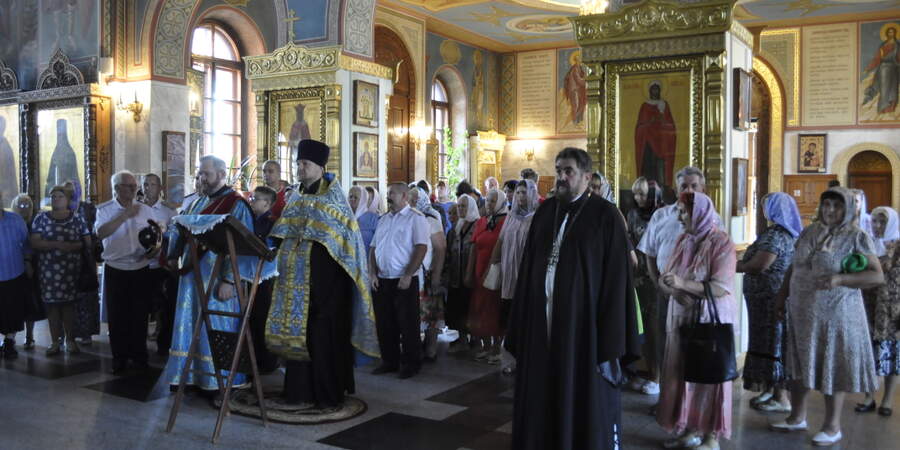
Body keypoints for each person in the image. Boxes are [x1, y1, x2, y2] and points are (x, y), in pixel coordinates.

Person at [506, 147, 640, 450]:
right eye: (558, 170)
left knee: (578, 395)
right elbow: (528, 271)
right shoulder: (545, 211)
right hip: (542, 323)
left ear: (587, 176)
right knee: (541, 391)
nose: (562, 177)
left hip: (584, 331)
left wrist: (608, 337)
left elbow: (617, 282)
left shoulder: (606, 217)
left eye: (569, 171)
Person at [265, 139, 379, 408]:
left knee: (324, 339)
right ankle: (298, 392)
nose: (300, 169)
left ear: (320, 166)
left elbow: (343, 243)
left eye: (305, 164)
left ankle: (327, 394)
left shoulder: (334, 200)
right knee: (300, 337)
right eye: (298, 164)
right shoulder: (298, 197)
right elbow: (284, 232)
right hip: (297, 285)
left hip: (328, 290)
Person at [771, 187, 884, 447]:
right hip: (802, 312)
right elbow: (794, 266)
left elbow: (876, 276)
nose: (830, 211)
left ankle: (832, 426)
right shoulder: (810, 232)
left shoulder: (857, 236)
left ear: (848, 209)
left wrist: (841, 278)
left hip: (837, 315)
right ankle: (797, 416)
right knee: (799, 364)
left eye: (837, 206)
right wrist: (782, 296)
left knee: (831, 366)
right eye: (826, 205)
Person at [163, 155, 275, 391]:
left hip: (217, 279)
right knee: (192, 324)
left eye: (206, 173)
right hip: (191, 279)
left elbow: (242, 247)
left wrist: (229, 280)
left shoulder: (236, 204)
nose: (201, 178)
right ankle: (192, 377)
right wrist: (172, 255)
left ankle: (223, 381)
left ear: (222, 175)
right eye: (200, 173)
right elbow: (181, 229)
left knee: (218, 327)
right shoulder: (195, 203)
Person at [656, 191, 736, 450]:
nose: (679, 217)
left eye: (683, 212)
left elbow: (721, 287)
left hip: (708, 319)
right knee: (682, 374)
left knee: (708, 375)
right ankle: (689, 429)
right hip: (682, 316)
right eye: (678, 211)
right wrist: (675, 290)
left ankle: (711, 437)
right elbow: (665, 277)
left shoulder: (721, 242)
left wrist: (683, 284)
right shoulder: (683, 240)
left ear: (699, 213)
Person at [637, 166, 721, 410]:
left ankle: (691, 407)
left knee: (694, 351)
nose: (689, 190)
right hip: (666, 292)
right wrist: (659, 284)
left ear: (703, 188)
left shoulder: (713, 218)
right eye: (684, 186)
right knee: (667, 347)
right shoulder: (662, 215)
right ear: (676, 188)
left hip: (697, 297)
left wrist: (691, 288)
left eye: (694, 186)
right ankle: (668, 400)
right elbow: (650, 253)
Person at [738, 192, 802, 414]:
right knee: (768, 342)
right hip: (764, 299)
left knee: (774, 342)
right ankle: (771, 388)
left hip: (770, 299)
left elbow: (759, 265)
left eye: (766, 205)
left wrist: (733, 265)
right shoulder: (782, 233)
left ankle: (780, 396)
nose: (763, 209)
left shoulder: (776, 235)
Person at [95, 171, 157, 373]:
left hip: (140, 267)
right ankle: (119, 358)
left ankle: (140, 356)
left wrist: (155, 250)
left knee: (140, 315)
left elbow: (157, 235)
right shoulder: (104, 210)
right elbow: (101, 233)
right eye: (128, 186)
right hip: (116, 268)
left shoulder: (146, 210)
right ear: (116, 188)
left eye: (134, 185)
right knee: (118, 316)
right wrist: (124, 216)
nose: (133, 189)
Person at [369, 183, 429, 379]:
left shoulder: (415, 219)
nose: (388, 197)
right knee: (385, 323)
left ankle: (411, 363)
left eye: (392, 194)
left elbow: (421, 248)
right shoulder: (384, 219)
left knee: (407, 323)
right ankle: (390, 360)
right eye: (388, 194)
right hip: (383, 279)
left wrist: (408, 274)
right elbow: (373, 249)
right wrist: (372, 274)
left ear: (404, 196)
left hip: (404, 279)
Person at [30, 185, 92, 355]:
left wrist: (73, 246)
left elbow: (87, 242)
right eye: (53, 196)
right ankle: (54, 342)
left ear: (67, 199)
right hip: (48, 271)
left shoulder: (77, 218)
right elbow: (34, 242)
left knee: (68, 306)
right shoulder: (41, 218)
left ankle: (70, 340)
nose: (56, 199)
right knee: (52, 306)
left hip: (70, 270)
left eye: (59, 196)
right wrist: (56, 245)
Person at [858, 206, 900, 416]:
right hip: (867, 304)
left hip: (890, 309)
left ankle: (887, 400)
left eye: (882, 222)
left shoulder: (898, 246)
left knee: (890, 354)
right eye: (874, 221)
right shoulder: (866, 244)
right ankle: (868, 397)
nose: (876, 226)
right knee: (868, 352)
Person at [493, 179, 538, 372]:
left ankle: (527, 358)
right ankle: (510, 359)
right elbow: (501, 241)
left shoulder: (537, 217)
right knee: (509, 318)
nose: (520, 196)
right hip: (509, 274)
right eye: (518, 192)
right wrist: (493, 265)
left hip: (527, 274)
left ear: (533, 194)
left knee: (525, 318)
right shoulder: (511, 217)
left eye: (524, 192)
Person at [626, 177, 663, 395]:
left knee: (655, 328)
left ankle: (658, 376)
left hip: (655, 276)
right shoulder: (632, 214)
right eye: (636, 194)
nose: (638, 198)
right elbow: (630, 240)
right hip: (637, 276)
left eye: (642, 194)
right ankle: (648, 371)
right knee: (643, 329)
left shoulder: (662, 214)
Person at [466, 188, 507, 364]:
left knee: (494, 308)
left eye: (492, 201)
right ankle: (486, 345)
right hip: (479, 269)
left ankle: (497, 347)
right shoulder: (481, 222)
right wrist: (469, 272)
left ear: (500, 203)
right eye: (487, 200)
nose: (488, 204)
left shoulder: (506, 221)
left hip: (497, 271)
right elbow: (474, 247)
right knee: (479, 308)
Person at [408, 186, 447, 361]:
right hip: (412, 272)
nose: (412, 201)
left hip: (428, 272)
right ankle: (414, 346)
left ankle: (431, 346)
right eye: (410, 198)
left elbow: (440, 249)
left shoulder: (431, 220)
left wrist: (436, 274)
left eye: (416, 198)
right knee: (414, 313)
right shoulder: (407, 218)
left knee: (430, 312)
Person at [140, 173, 178, 356]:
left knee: (163, 306)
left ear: (160, 188)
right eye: (145, 184)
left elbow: (175, 237)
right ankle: (138, 344)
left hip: (160, 265)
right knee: (140, 307)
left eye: (152, 184)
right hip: (138, 264)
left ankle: (164, 344)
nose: (148, 188)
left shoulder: (168, 211)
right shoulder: (135, 208)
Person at [63, 179, 100, 346]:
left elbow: (96, 231)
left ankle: (86, 332)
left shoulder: (88, 209)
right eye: (67, 193)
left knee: (86, 297)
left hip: (86, 258)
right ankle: (69, 334)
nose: (71, 196)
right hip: (65, 260)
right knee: (69, 298)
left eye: (73, 192)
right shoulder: (61, 210)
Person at [0, 191, 31, 359]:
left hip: (14, 271)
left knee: (12, 309)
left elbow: (26, 244)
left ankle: (10, 341)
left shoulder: (15, 220)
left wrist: (27, 262)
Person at [446, 194, 479, 353]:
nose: (460, 209)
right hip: (455, 276)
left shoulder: (478, 225)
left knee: (472, 308)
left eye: (464, 206)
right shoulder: (455, 229)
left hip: (471, 276)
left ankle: (476, 338)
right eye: (459, 206)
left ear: (471, 207)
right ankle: (462, 337)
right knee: (458, 308)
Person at [11, 194, 44, 350]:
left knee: (31, 301)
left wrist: (29, 262)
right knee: (14, 302)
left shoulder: (35, 221)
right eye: (21, 205)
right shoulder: (11, 221)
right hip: (13, 266)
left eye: (27, 205)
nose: (24, 208)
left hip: (32, 267)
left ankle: (29, 335)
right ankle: (10, 338)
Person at [635, 81, 677, 188]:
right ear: (649, 91)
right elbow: (639, 127)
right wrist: (650, 123)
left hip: (662, 145)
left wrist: (663, 120)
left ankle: (662, 189)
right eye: (653, 89)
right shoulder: (645, 106)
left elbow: (671, 126)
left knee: (660, 169)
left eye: (657, 89)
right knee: (649, 169)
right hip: (648, 145)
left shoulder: (664, 105)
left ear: (660, 90)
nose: (655, 91)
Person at [862, 25, 899, 115]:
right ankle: (883, 108)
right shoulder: (883, 45)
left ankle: (891, 108)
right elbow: (877, 58)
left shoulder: (898, 45)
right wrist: (868, 68)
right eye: (889, 32)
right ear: (886, 34)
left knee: (893, 89)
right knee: (884, 89)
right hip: (884, 69)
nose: (891, 34)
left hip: (894, 69)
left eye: (892, 32)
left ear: (895, 33)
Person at [349, 186, 380, 251]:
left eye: (355, 197)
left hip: (367, 257)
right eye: (350, 197)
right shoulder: (344, 216)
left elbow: (378, 242)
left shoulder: (374, 218)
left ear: (363, 200)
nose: (352, 199)